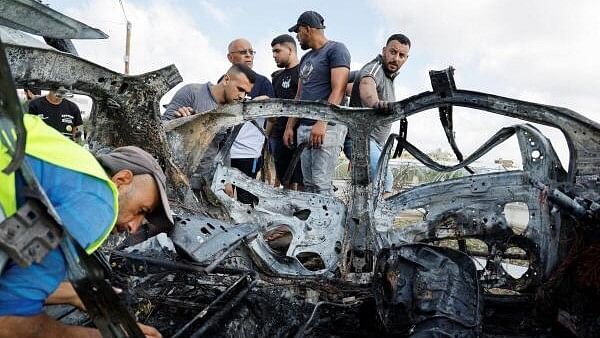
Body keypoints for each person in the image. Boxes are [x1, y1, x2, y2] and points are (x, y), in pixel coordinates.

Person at [0, 115, 167, 337]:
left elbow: (11, 264)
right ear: (122, 180)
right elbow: (8, 322)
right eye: (141, 211)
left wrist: (70, 294)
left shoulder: (68, 170)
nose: (134, 228)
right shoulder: (100, 204)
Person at [283, 11, 351, 195]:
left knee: (321, 184)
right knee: (308, 184)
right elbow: (299, 95)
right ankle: (312, 223)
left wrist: (322, 122)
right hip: (304, 127)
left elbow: (339, 89)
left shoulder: (337, 50)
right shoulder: (306, 58)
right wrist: (290, 126)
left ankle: (327, 224)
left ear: (307, 29)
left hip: (327, 128)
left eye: (298, 32)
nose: (297, 37)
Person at [162, 63, 256, 186]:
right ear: (226, 79)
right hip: (175, 178)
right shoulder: (192, 93)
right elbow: (161, 129)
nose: (242, 96)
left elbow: (225, 150)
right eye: (240, 89)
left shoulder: (233, 111)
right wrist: (180, 121)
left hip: (205, 183)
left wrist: (226, 182)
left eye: (246, 93)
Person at [349, 34, 411, 196]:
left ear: (406, 58)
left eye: (401, 55)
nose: (396, 58)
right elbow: (366, 83)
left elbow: (352, 88)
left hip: (375, 143)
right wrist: (375, 103)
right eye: (393, 52)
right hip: (362, 139)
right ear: (384, 51)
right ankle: (380, 220)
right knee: (385, 180)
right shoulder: (375, 68)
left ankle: (367, 219)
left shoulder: (389, 78)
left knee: (368, 188)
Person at [225, 38, 274, 205]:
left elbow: (273, 118)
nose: (248, 56)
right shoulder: (224, 81)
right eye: (243, 52)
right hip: (224, 153)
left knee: (246, 199)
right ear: (230, 57)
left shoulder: (263, 83)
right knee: (224, 199)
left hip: (249, 153)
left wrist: (263, 105)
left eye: (251, 52)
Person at [267, 34, 303, 190]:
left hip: (299, 134)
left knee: (302, 182)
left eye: (277, 51)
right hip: (278, 135)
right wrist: (267, 135)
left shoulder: (304, 71)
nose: (274, 55)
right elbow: (272, 109)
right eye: (273, 52)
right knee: (285, 181)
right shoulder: (277, 77)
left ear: (290, 49)